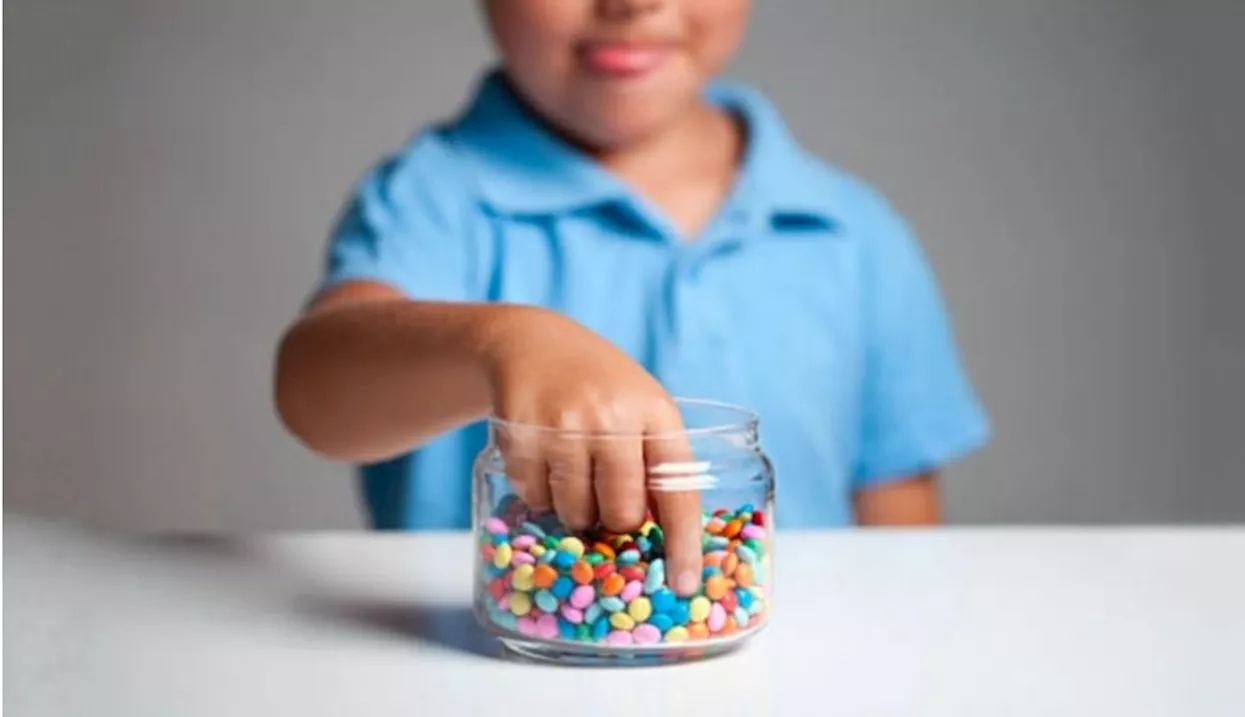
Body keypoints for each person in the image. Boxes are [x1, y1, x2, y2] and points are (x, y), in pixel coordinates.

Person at [274, 0, 988, 596]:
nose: (632, 1)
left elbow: (906, 556)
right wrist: (506, 343)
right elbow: (313, 386)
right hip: (495, 678)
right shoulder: (434, 200)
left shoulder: (848, 230)